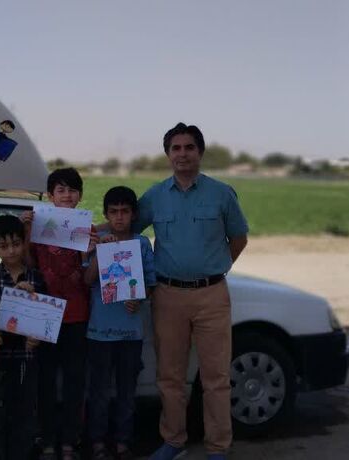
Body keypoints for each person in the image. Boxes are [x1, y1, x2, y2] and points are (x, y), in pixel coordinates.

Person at [140, 123, 249, 460]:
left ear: (200, 152)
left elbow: (239, 238)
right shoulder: (156, 196)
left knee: (216, 377)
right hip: (168, 297)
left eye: (189, 147)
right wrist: (80, 230)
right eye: (176, 148)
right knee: (169, 376)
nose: (183, 154)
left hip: (211, 296)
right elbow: (123, 226)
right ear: (168, 154)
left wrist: (217, 268)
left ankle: (218, 447)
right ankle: (173, 441)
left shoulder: (221, 194)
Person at [22, 167, 93, 460]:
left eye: (72, 190)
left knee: (75, 382)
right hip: (45, 315)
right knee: (46, 382)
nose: (67, 195)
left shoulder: (88, 229)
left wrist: (90, 252)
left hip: (77, 315)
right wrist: (27, 232)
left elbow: (90, 275)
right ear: (50, 196)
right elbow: (28, 264)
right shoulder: (38, 226)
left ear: (80, 196)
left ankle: (70, 441)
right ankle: (48, 439)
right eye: (60, 190)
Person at [84, 186, 156, 460]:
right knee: (99, 392)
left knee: (127, 391)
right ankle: (98, 443)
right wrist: (100, 253)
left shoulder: (141, 244)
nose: (119, 217)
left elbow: (150, 283)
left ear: (133, 214)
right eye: (113, 212)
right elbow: (87, 280)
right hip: (99, 333)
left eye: (125, 211)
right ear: (106, 214)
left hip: (130, 333)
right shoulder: (98, 241)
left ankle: (123, 442)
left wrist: (139, 298)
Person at [0, 214, 46, 460]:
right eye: (3, 246)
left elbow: (45, 319)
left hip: (26, 358)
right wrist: (13, 298)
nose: (11, 251)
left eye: (16, 244)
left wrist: (37, 336)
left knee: (24, 415)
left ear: (24, 243)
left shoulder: (36, 277)